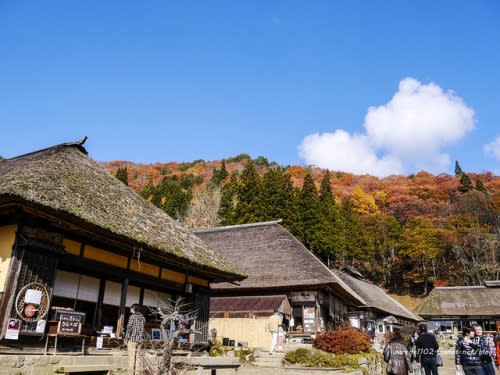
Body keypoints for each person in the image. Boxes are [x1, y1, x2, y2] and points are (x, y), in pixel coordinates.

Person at [125, 304, 145, 375]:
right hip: (140, 340)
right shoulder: (142, 317)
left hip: (132, 340)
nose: (130, 309)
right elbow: (142, 329)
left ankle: (130, 373)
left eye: (131, 308)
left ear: (133, 308)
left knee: (131, 358)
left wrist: (126, 339)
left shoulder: (132, 317)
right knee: (138, 358)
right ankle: (137, 373)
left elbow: (129, 328)